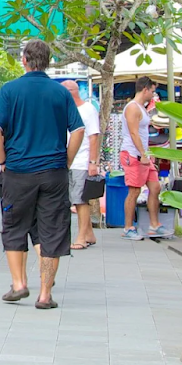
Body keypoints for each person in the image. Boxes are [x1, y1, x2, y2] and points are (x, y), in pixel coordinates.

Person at [0, 40, 85, 310]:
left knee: (14, 227)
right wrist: (66, 160)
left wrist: (3, 160)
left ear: (24, 60)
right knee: (52, 231)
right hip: (54, 172)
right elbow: (78, 130)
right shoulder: (61, 92)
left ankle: (19, 284)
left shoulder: (10, 90)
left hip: (18, 172)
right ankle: (45, 295)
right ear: (49, 61)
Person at [120, 77, 168, 240]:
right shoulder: (132, 107)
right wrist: (142, 154)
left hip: (143, 154)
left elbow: (142, 133)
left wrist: (147, 153)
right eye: (152, 91)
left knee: (155, 188)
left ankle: (154, 225)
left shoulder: (141, 107)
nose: (153, 94)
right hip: (133, 154)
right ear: (145, 89)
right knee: (134, 190)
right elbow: (134, 133)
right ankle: (128, 227)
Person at [63, 81, 103, 250]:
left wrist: (93, 162)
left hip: (81, 160)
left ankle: (81, 237)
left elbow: (94, 136)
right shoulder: (66, 109)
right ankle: (89, 234)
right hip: (68, 160)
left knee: (80, 200)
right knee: (74, 198)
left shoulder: (88, 109)